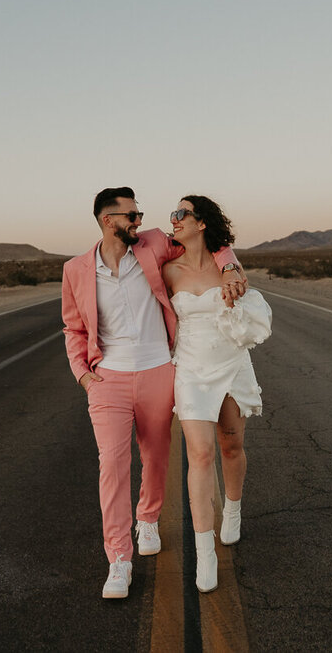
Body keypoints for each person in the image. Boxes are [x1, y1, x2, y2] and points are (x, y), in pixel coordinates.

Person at [61, 186, 246, 599]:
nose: (139, 221)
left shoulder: (153, 245)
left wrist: (231, 266)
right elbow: (73, 328)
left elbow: (211, 243)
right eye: (132, 215)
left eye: (140, 214)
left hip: (158, 370)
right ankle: (119, 560)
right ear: (108, 220)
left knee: (156, 457)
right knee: (112, 465)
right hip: (108, 378)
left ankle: (148, 519)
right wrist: (83, 375)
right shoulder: (75, 270)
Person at [163, 195, 270, 593]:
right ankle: (204, 552)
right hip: (190, 367)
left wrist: (229, 267)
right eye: (172, 215)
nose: (173, 220)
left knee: (231, 444)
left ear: (202, 222)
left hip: (231, 361)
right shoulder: (167, 269)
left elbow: (231, 265)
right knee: (200, 453)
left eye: (181, 214)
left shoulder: (229, 263)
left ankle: (234, 508)